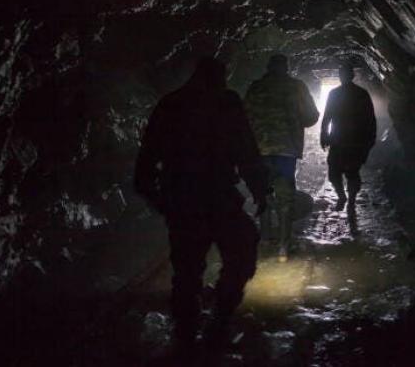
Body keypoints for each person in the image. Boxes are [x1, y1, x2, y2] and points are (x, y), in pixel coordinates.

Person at [134, 56, 268, 350]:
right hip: (218, 198)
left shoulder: (170, 104)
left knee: (187, 271)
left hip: (184, 200)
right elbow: (245, 149)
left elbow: (144, 166)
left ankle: (186, 334)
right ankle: (216, 322)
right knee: (241, 257)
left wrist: (161, 202)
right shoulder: (226, 101)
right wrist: (261, 189)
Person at [244, 54, 319, 262]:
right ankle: (283, 248)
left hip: (259, 151)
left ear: (268, 67)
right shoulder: (297, 87)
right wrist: (293, 120)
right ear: (286, 68)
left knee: (263, 194)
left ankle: (265, 238)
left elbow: (243, 116)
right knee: (285, 197)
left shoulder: (255, 87)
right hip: (286, 151)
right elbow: (312, 116)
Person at [320, 63, 376, 212]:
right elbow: (327, 116)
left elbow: (370, 119)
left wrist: (370, 139)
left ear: (351, 76)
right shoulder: (342, 93)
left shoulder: (359, 94)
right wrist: (324, 135)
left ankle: (349, 200)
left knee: (348, 172)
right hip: (343, 140)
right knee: (337, 173)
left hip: (352, 141)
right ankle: (344, 198)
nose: (343, 77)